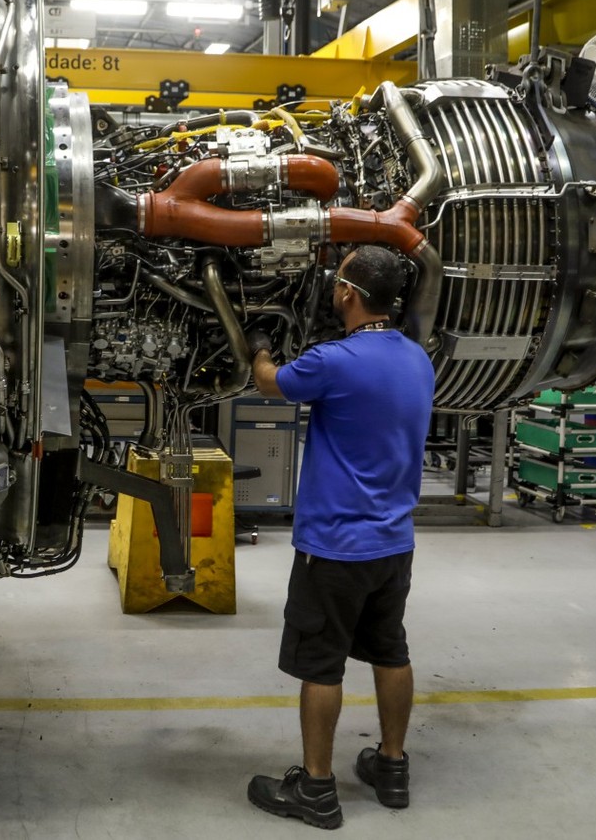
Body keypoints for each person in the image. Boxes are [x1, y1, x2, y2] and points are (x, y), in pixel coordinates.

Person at [244, 245, 436, 830]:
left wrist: (257, 341)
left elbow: (270, 383)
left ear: (349, 294)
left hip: (335, 546)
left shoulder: (334, 361)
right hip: (393, 543)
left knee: (321, 665)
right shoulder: (417, 359)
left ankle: (317, 789)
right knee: (390, 649)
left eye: (336, 281)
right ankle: (392, 766)